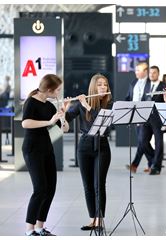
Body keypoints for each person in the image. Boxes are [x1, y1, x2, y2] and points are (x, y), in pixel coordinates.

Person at [22, 74, 69, 236]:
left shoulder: (49, 105)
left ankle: (40, 226)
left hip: (46, 148)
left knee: (50, 188)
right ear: (49, 90)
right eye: (58, 90)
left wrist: (63, 114)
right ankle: (30, 229)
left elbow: (64, 129)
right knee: (40, 188)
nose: (59, 93)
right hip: (32, 148)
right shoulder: (31, 102)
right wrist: (49, 122)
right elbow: (25, 123)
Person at [65, 73, 113, 231]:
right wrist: (64, 110)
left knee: (99, 184)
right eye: (99, 84)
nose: (103, 87)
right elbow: (65, 123)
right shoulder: (81, 103)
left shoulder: (109, 104)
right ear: (93, 86)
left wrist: (87, 106)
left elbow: (100, 121)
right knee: (87, 186)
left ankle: (100, 220)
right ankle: (92, 219)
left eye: (105, 84)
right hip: (84, 146)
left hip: (102, 145)